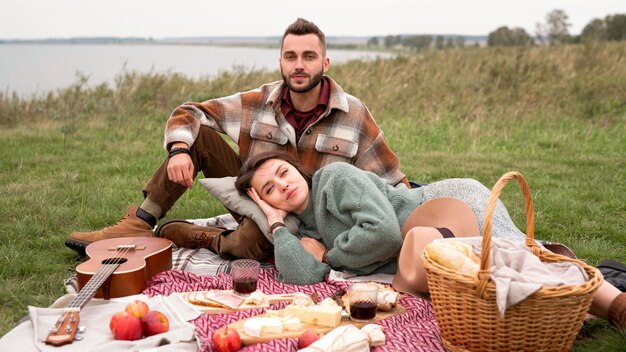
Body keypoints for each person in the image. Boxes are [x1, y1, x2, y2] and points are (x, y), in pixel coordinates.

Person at [65, 18, 407, 260]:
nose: (298, 65)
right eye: (291, 57)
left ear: (325, 62)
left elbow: (393, 181)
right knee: (198, 137)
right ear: (281, 62)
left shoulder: (354, 115)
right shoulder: (256, 103)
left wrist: (410, 228)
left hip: (306, 223)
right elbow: (189, 111)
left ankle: (199, 237)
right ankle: (140, 223)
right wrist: (179, 149)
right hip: (254, 198)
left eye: (308, 56)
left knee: (258, 244)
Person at [236, 150, 626, 331]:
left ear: (296, 167)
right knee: (487, 283)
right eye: (269, 189)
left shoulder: (334, 179)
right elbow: (302, 277)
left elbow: (383, 233)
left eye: (283, 172)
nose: (283, 186)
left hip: (444, 209)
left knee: (512, 259)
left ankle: (618, 306)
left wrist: (333, 257)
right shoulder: (301, 230)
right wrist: (275, 226)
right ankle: (590, 300)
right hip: (422, 252)